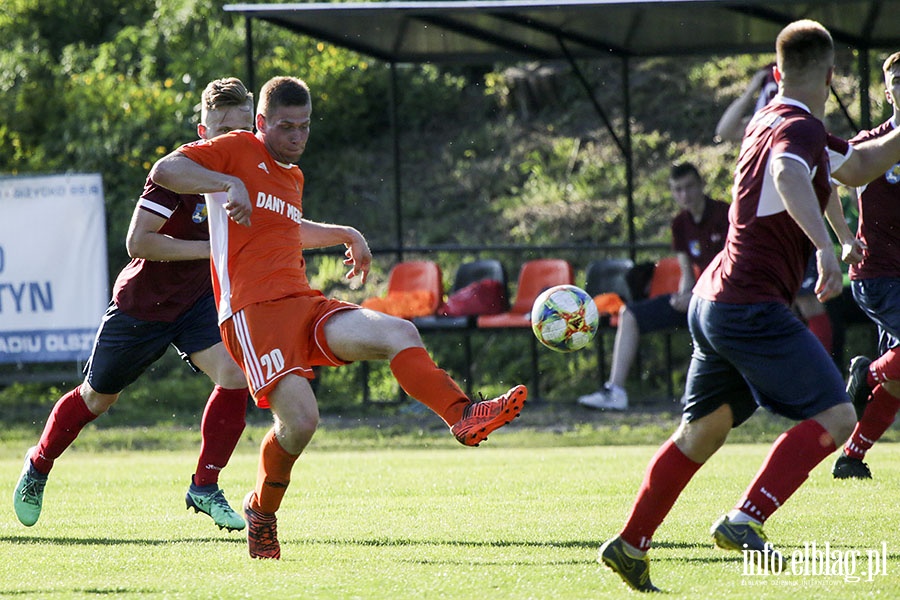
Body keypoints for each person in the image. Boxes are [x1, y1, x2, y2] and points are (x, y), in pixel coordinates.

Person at [148, 76, 528, 560]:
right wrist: (228, 181)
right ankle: (261, 511)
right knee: (302, 422)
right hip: (251, 313)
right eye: (286, 126)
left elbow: (286, 230)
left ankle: (462, 416)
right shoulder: (235, 148)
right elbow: (165, 170)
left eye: (304, 127)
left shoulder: (291, 175)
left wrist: (346, 232)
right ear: (261, 123)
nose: (297, 137)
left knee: (399, 331)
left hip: (301, 302)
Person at [597, 20, 900, 592]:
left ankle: (631, 543)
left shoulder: (771, 118)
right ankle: (746, 518)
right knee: (839, 416)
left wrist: (838, 234)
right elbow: (790, 173)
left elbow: (857, 168)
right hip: (750, 306)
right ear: (831, 75)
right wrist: (825, 250)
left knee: (701, 433)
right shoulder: (800, 132)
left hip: (713, 302)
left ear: (778, 73)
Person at [13, 77, 256, 532]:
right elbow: (137, 242)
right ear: (203, 132)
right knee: (97, 398)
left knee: (235, 373)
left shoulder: (254, 170)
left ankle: (204, 486)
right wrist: (214, 251)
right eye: (220, 131)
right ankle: (39, 464)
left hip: (198, 301)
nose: (231, 141)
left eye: (240, 132)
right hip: (143, 304)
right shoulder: (182, 170)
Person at [577, 163, 729, 410]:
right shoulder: (680, 223)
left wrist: (700, 296)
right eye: (678, 189)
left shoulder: (726, 215)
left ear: (701, 184)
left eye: (689, 186)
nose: (685, 194)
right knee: (631, 314)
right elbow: (687, 271)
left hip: (725, 298)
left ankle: (703, 389)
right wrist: (684, 296)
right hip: (697, 298)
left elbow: (734, 267)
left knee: (708, 316)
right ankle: (615, 391)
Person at [716, 62, 836, 356]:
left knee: (809, 303)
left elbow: (824, 174)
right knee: (772, 303)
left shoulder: (805, 124)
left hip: (796, 222)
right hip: (764, 227)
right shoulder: (763, 124)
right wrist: (749, 91)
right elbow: (724, 130)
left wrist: (834, 240)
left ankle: (819, 374)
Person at [832, 51, 900, 480]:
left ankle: (851, 458)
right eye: (899, 78)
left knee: (897, 378)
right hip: (877, 274)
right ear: (888, 90)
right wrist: (841, 238)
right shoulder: (869, 143)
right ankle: (867, 372)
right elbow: (825, 180)